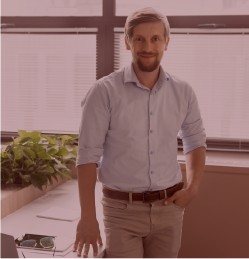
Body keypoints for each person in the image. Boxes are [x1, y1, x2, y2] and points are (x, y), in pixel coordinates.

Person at [73, 6, 207, 259]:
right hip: (121, 211)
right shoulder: (103, 92)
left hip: (169, 209)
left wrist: (193, 188)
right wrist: (87, 217)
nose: (148, 46)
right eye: (140, 39)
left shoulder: (183, 92)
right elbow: (87, 156)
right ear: (127, 42)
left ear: (166, 43)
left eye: (155, 38)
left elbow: (195, 140)